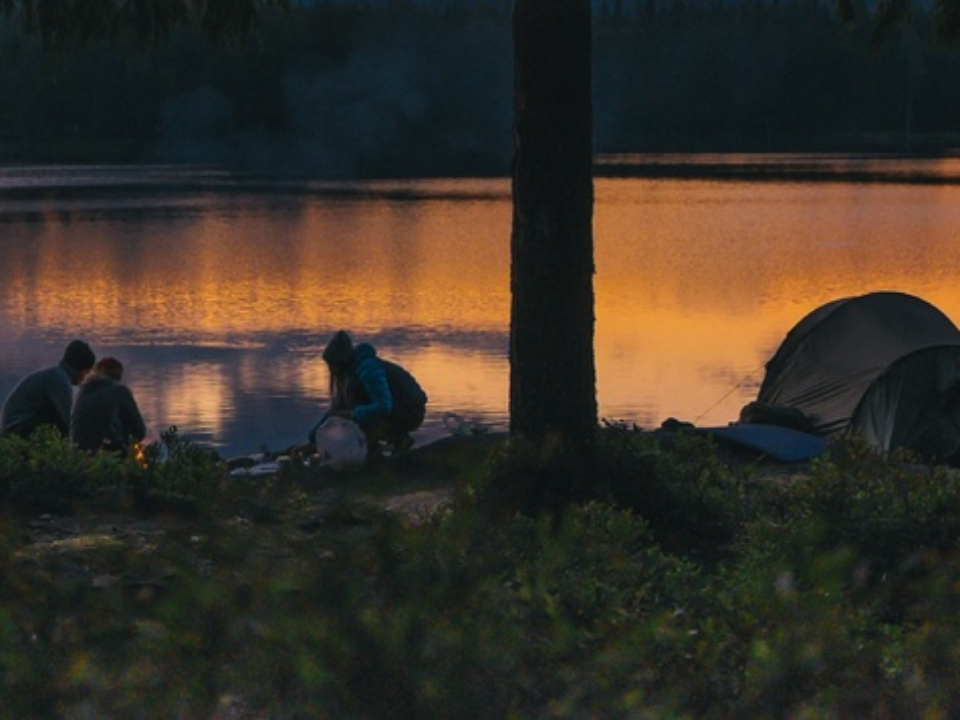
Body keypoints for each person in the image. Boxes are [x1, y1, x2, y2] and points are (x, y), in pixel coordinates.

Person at [309, 330, 427, 455]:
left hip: (410, 411)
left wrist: (353, 414)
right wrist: (314, 437)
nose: (332, 370)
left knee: (358, 414)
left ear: (342, 362)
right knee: (353, 411)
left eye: (333, 365)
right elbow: (336, 410)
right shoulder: (349, 375)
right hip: (396, 408)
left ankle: (392, 441)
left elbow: (384, 406)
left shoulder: (368, 369)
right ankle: (385, 444)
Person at [0, 339, 96, 440]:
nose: (86, 378)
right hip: (17, 430)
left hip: (17, 426)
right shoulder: (58, 379)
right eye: (87, 373)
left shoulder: (55, 375)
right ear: (81, 369)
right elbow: (70, 418)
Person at [70, 356, 147, 454]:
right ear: (118, 377)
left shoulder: (82, 392)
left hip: (78, 457)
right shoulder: (120, 391)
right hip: (109, 456)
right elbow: (140, 431)